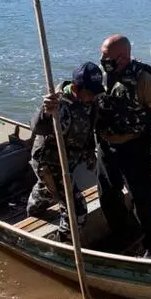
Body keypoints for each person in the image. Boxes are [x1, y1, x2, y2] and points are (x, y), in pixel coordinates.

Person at [96, 35, 151, 259]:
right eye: (102, 54)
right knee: (108, 194)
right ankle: (123, 233)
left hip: (135, 146)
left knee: (142, 197)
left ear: (123, 57)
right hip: (106, 146)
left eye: (106, 56)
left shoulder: (143, 79)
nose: (101, 59)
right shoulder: (101, 74)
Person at [26, 62, 105, 243]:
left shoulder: (91, 102)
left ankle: (35, 205)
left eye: (95, 92)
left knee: (48, 190)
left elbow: (88, 128)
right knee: (76, 209)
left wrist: (89, 151)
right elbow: (36, 127)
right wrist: (46, 113)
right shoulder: (57, 102)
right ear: (77, 88)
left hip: (71, 158)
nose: (93, 97)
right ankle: (64, 243)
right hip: (49, 161)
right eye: (90, 92)